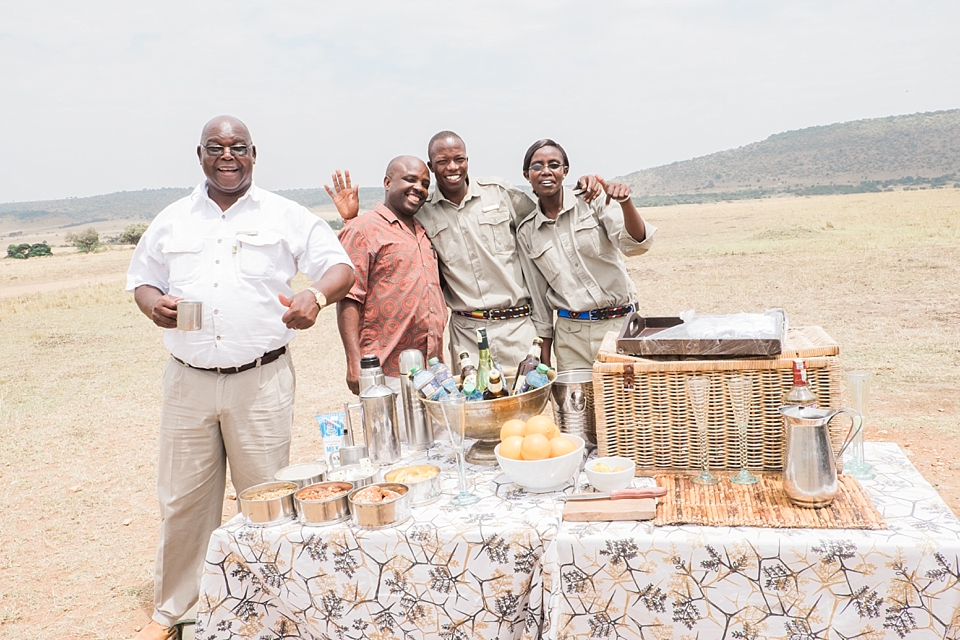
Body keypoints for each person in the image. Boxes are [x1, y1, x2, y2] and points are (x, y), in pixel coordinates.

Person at [125, 115, 354, 640]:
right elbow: (142, 280)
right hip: (188, 381)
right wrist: (152, 306)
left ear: (255, 153)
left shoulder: (284, 214)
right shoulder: (173, 219)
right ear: (199, 154)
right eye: (216, 147)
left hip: (261, 380)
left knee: (267, 498)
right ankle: (176, 610)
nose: (227, 156)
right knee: (183, 500)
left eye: (238, 147)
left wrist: (313, 297)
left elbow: (337, 267)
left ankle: (270, 608)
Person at [415, 131, 601, 377]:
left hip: (517, 330)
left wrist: (581, 186)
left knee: (527, 408)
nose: (453, 167)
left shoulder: (498, 192)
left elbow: (544, 218)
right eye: (442, 161)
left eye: (459, 159)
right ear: (431, 166)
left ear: (467, 160)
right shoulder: (423, 212)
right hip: (467, 335)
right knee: (474, 407)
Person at [516, 139, 656, 371]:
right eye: (537, 166)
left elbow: (636, 244)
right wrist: (545, 359)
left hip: (618, 326)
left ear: (565, 171)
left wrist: (625, 202)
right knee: (577, 406)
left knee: (624, 404)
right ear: (526, 175)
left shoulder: (592, 200)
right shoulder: (527, 232)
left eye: (554, 164)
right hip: (571, 337)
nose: (546, 171)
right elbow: (540, 302)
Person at [334, 156, 446, 405]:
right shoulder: (362, 229)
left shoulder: (423, 230)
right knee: (393, 442)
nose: (419, 187)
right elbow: (348, 298)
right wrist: (354, 363)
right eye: (410, 179)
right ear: (387, 182)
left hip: (432, 369)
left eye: (425, 183)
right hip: (386, 370)